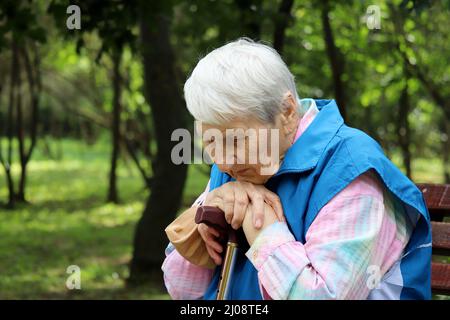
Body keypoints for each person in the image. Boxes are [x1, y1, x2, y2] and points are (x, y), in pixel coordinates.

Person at [162, 38, 432, 300]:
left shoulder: (353, 172)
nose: (223, 162)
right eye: (210, 141)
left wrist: (262, 228)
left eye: (236, 140)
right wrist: (203, 217)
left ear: (287, 112)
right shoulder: (237, 167)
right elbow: (183, 290)